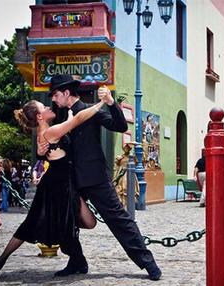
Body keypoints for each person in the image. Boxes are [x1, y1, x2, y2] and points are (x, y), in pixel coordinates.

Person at [46, 74, 162, 280]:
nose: (53, 99)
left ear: (65, 92)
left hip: (95, 177)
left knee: (118, 219)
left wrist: (110, 103)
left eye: (55, 95)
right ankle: (76, 262)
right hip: (71, 179)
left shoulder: (91, 110)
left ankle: (148, 263)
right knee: (65, 218)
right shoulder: (61, 116)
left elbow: (120, 126)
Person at [0, 96, 104, 277]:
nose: (49, 107)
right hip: (56, 187)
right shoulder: (50, 133)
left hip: (63, 185)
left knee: (82, 222)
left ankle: (76, 259)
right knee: (34, 225)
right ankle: (0, 260)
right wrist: (102, 103)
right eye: (44, 107)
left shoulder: (47, 133)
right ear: (40, 116)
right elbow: (78, 119)